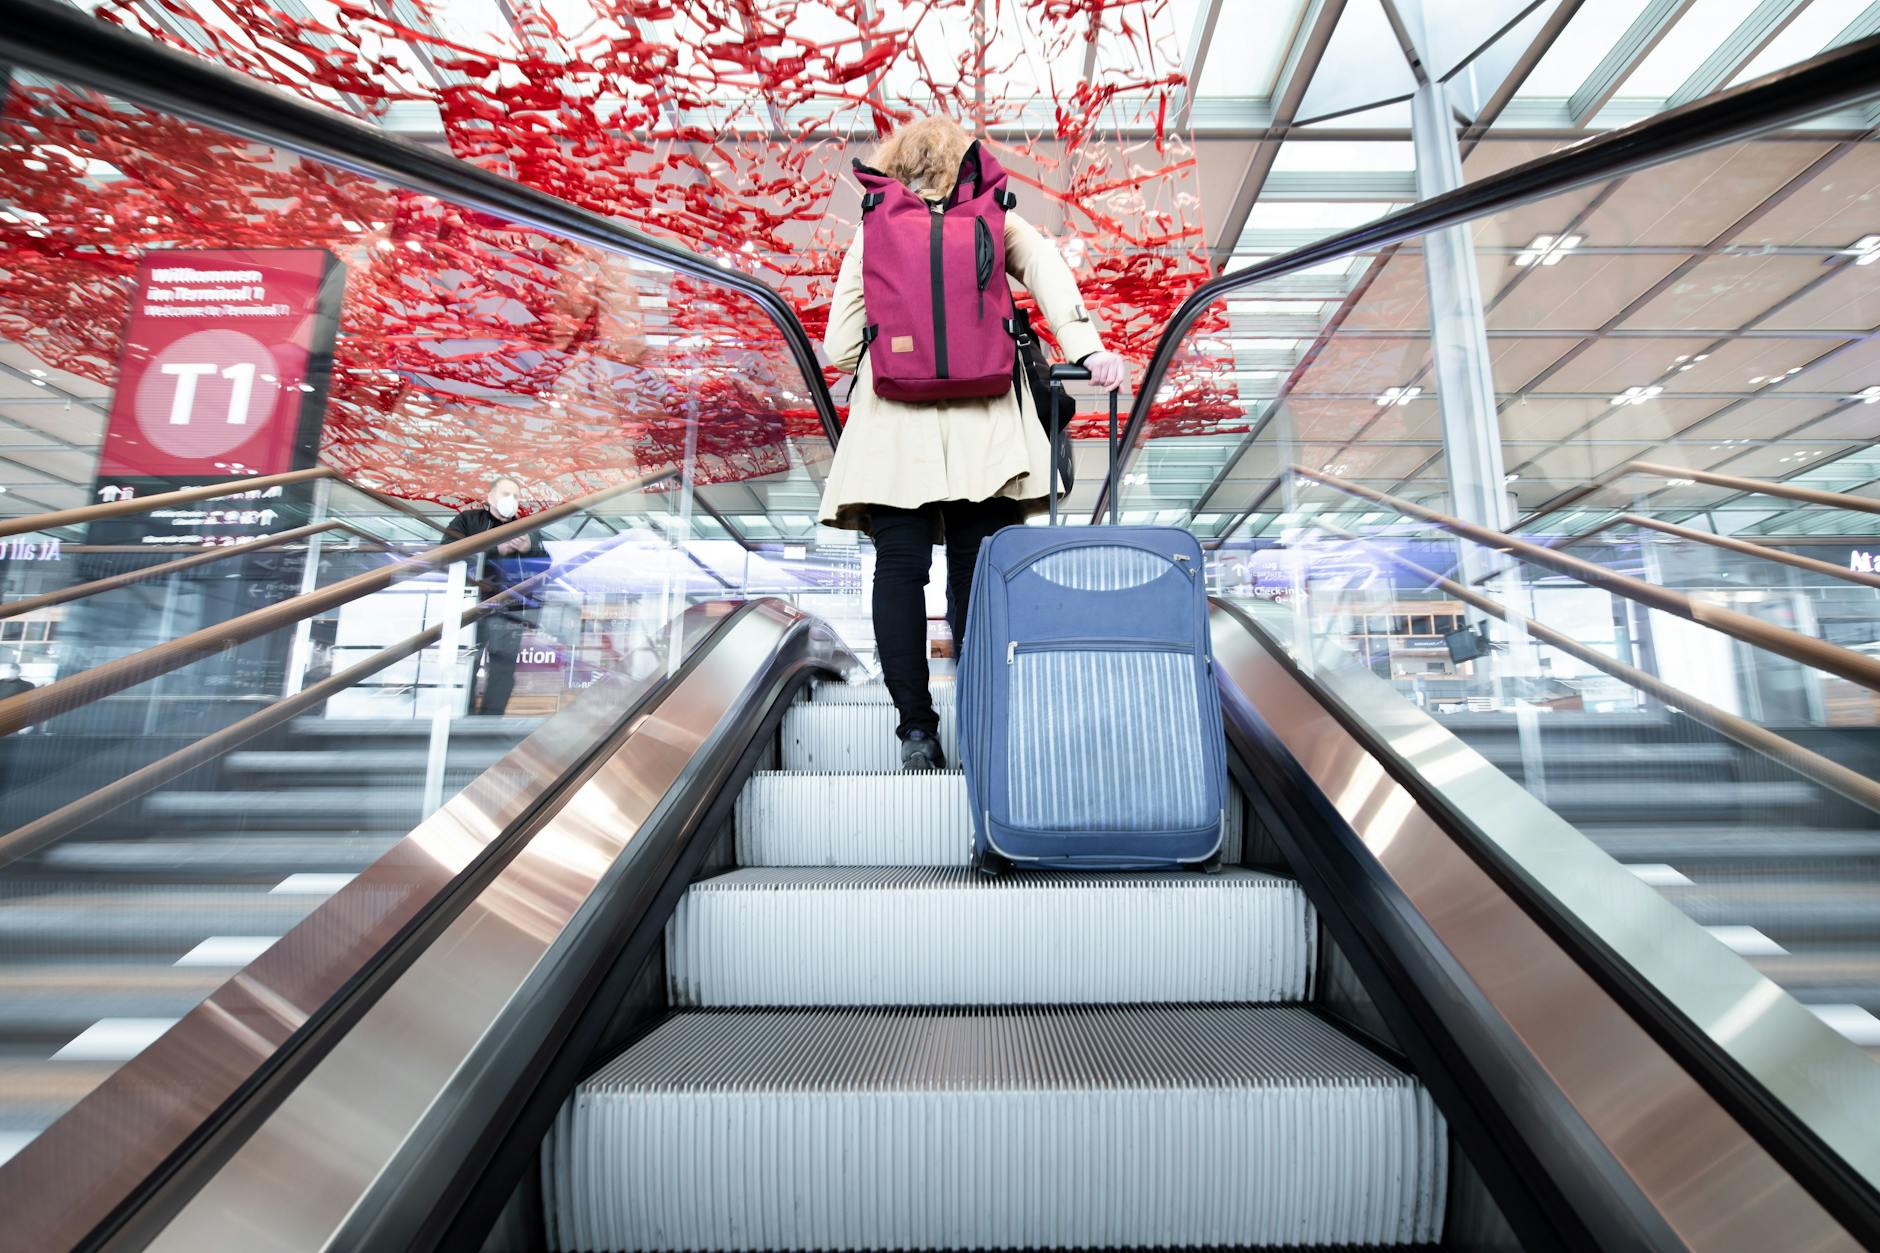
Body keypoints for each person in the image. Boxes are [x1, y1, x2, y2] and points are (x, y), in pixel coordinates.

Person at [817, 115, 1127, 770]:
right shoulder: (992, 217)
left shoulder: (875, 229)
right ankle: (983, 721)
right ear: (965, 162)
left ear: (895, 166)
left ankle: (915, 732)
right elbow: (1046, 269)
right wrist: (1086, 348)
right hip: (987, 424)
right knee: (972, 574)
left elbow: (839, 347)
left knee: (899, 571)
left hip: (893, 426)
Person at [444, 476, 545, 716]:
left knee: (503, 667)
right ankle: (461, 714)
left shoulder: (526, 529)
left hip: (510, 610)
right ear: (489, 497)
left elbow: (546, 563)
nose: (511, 500)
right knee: (467, 661)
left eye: (516, 496)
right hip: (471, 607)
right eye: (505, 494)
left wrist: (530, 547)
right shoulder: (467, 521)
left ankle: (492, 717)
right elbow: (445, 551)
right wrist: (494, 549)